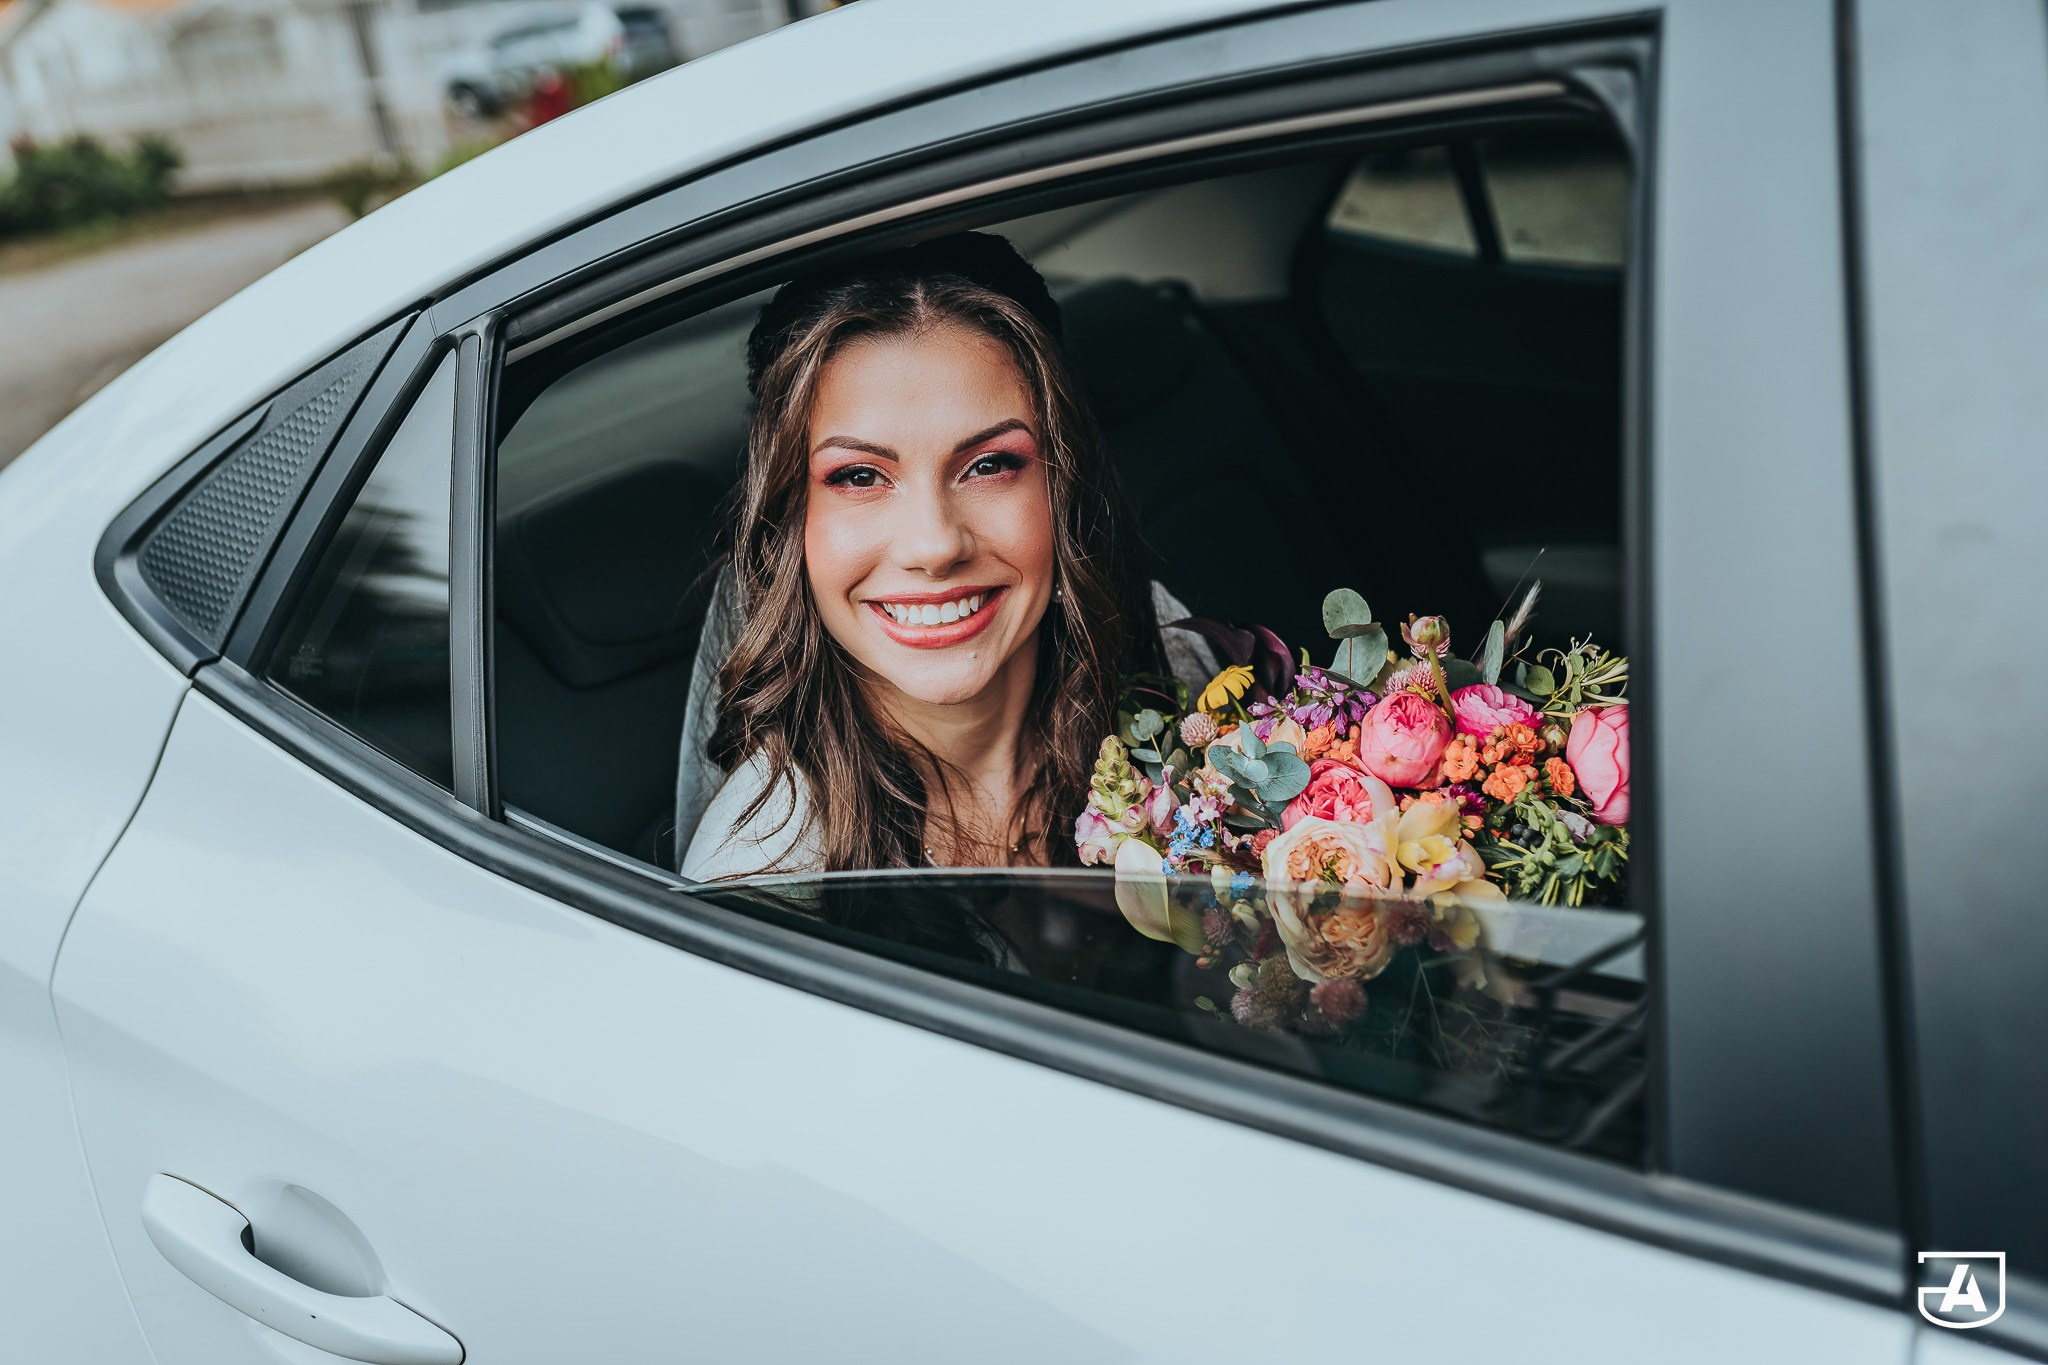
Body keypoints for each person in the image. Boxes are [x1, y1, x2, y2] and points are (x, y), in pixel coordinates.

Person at [678, 233, 1211, 879]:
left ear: (1063, 488)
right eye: (858, 476)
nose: (934, 545)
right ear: (791, 523)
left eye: (988, 465)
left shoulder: (1162, 654)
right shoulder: (768, 875)